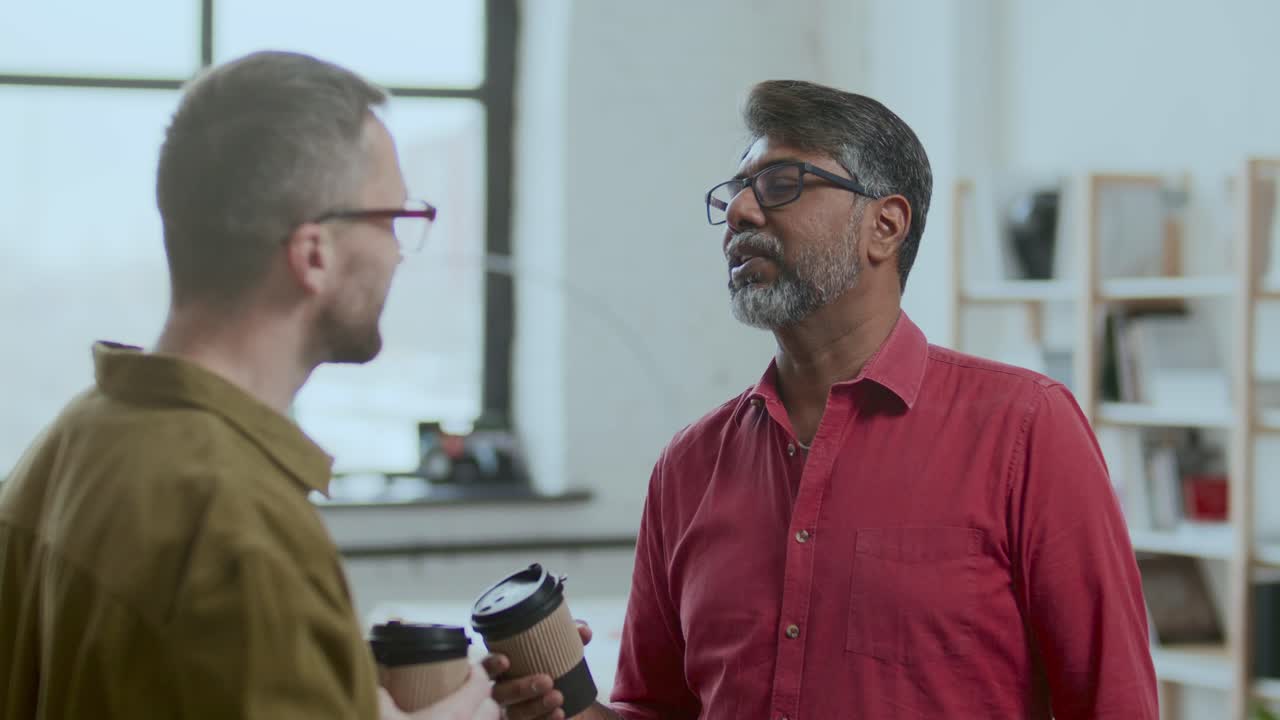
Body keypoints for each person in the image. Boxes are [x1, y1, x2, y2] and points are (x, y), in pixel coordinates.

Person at [489, 80, 1158, 719]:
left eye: (783, 185)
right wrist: (561, 711)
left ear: (885, 226)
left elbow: (1112, 704)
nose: (742, 214)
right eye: (734, 196)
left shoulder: (1025, 428)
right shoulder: (688, 467)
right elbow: (657, 709)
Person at [0, 51, 497, 720]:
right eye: (395, 219)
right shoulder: (241, 536)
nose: (398, 253)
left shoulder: (68, 444)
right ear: (314, 254)